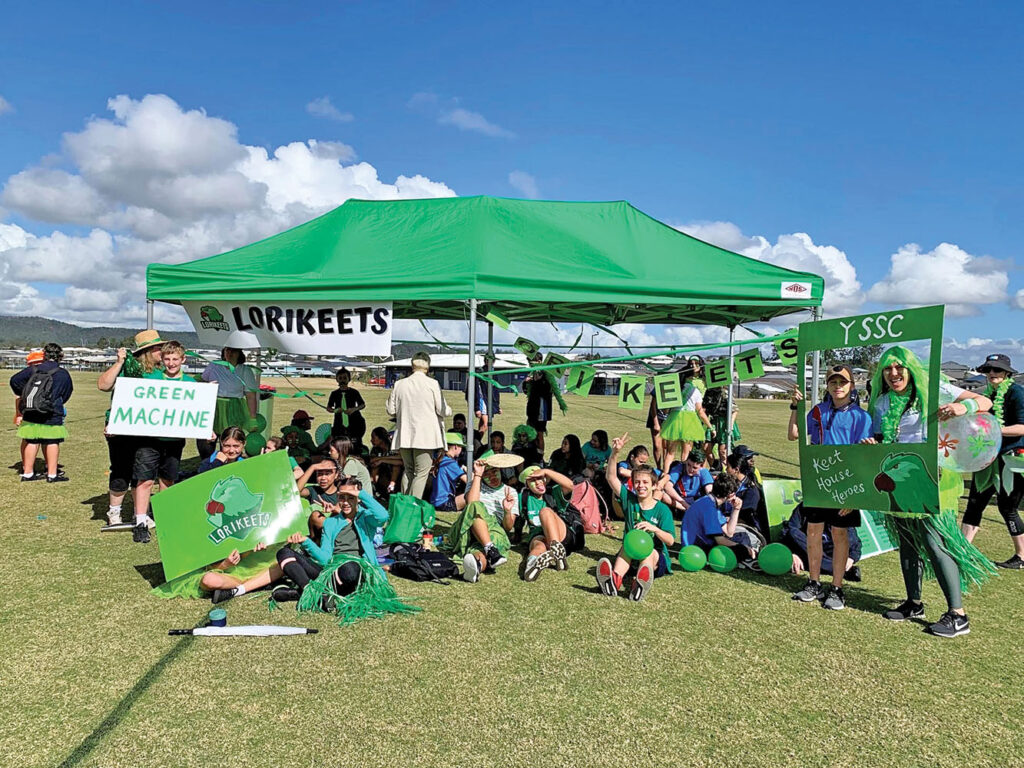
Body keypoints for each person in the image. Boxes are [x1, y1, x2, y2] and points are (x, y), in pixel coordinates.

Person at [864, 345, 994, 638]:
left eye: (899, 368)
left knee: (934, 542)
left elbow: (984, 401)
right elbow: (881, 435)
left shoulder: (934, 388)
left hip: (934, 478)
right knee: (907, 541)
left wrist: (964, 407)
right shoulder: (882, 402)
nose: (893, 373)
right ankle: (914, 602)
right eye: (887, 368)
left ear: (910, 369)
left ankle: (957, 615)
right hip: (900, 481)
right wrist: (873, 443)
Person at [785, 364, 873, 610]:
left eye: (842, 382)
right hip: (818, 480)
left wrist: (855, 493)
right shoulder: (818, 411)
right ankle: (813, 583)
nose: (838, 387)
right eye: (833, 382)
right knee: (813, 532)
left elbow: (865, 457)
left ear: (851, 386)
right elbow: (794, 434)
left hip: (845, 484)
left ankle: (837, 588)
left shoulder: (861, 417)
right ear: (828, 385)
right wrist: (794, 406)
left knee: (839, 534)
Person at [96, 330, 165, 530]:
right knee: (120, 470)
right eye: (157, 348)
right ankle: (114, 512)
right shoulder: (127, 366)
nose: (161, 351)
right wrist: (118, 363)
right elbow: (103, 385)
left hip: (150, 430)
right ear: (148, 351)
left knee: (143, 472)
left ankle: (139, 513)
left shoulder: (162, 372)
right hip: (121, 428)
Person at [960, 354, 1024, 568]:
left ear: (1007, 373)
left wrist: (993, 431)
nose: (992, 374)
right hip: (987, 459)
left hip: (1012, 458)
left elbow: (1022, 427)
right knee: (974, 504)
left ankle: (1022, 556)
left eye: (997, 370)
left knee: (1008, 508)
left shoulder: (1016, 393)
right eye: (988, 370)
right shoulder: (987, 395)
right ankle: (960, 550)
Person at [598, 433, 675, 601]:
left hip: (654, 560)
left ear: (654, 485)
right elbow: (611, 477)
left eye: (645, 483)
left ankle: (639, 584)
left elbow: (670, 541)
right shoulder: (629, 501)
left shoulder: (662, 510)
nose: (641, 486)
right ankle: (614, 581)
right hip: (631, 555)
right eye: (637, 482)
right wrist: (615, 453)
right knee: (627, 546)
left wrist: (654, 528)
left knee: (649, 551)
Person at [131, 341, 191, 543]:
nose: (171, 363)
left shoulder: (191, 383)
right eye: (167, 359)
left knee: (167, 480)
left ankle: (164, 517)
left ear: (183, 360)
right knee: (145, 479)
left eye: (175, 359)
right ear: (162, 360)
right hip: (149, 439)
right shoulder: (151, 378)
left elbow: (198, 410)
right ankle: (140, 521)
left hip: (174, 440)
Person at [385, 351, 452, 500]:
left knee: (408, 471)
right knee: (421, 473)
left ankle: (404, 503)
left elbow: (391, 410)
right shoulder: (432, 383)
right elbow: (442, 409)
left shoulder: (399, 384)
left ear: (412, 365)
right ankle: (411, 507)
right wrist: (449, 410)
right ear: (428, 367)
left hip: (404, 435)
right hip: (426, 436)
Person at [442, 455, 514, 583]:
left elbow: (508, 527)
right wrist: (478, 475)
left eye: (494, 471)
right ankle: (490, 549)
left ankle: (478, 566)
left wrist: (507, 511)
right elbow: (472, 504)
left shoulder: (510, 491)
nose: (492, 476)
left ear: (500, 471)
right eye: (487, 473)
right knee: (476, 507)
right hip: (468, 528)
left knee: (478, 550)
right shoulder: (475, 484)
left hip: (493, 531)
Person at [10, 342, 73, 484]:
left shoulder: (33, 369)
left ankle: (28, 473)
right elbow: (67, 392)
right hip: (52, 410)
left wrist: (25, 393)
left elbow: (14, 381)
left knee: (32, 440)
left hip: (31, 409)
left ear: (44, 355)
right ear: (60, 356)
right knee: (52, 441)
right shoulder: (63, 373)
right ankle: (52, 474)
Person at [511, 464, 581, 581]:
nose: (538, 482)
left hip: (561, 534)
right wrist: (517, 535)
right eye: (533, 480)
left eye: (540, 478)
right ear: (526, 485)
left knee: (545, 512)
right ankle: (531, 566)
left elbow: (570, 485)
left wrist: (547, 471)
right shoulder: (523, 497)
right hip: (538, 534)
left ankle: (557, 551)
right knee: (538, 546)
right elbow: (519, 520)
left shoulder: (553, 493)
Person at [679, 473, 759, 565]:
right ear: (730, 494)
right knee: (741, 549)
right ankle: (748, 557)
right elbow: (720, 540)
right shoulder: (710, 508)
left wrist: (736, 509)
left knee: (741, 536)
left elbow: (729, 532)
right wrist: (745, 548)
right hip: (697, 548)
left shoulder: (710, 501)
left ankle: (748, 554)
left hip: (701, 543)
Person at [198, 347, 258, 459]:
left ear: (239, 353)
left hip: (234, 409)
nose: (230, 353)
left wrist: (252, 418)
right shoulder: (214, 365)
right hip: (212, 407)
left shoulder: (245, 370)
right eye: (227, 350)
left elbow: (251, 396)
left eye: (233, 351)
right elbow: (202, 380)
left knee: (229, 442)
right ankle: (206, 468)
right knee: (205, 444)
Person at [658, 359, 714, 476]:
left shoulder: (675, 389)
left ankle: (665, 473)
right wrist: (710, 427)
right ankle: (683, 475)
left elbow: (666, 409)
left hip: (674, 419)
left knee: (670, 452)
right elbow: (700, 412)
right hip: (689, 420)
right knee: (686, 451)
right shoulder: (696, 392)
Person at [782, 504, 863, 582]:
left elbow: (854, 542)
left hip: (833, 553)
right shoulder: (804, 507)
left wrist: (851, 558)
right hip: (808, 550)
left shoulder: (841, 507)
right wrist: (792, 553)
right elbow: (790, 530)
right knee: (794, 533)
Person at [659, 448, 713, 513]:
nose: (690, 469)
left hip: (696, 500)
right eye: (688, 465)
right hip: (680, 501)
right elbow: (667, 487)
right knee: (663, 495)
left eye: (694, 468)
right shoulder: (679, 468)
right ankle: (690, 511)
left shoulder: (704, 472)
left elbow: (709, 491)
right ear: (686, 461)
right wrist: (685, 504)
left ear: (701, 467)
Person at [327, 368, 366, 446]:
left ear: (349, 379)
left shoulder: (354, 392)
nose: (342, 380)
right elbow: (328, 408)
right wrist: (336, 410)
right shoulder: (334, 394)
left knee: (355, 444)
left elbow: (362, 404)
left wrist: (354, 409)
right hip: (339, 424)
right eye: (340, 378)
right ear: (337, 379)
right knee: (339, 445)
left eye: (345, 378)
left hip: (354, 423)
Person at [431, 432, 467, 512]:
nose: (461, 450)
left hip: (435, 501)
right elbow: (469, 481)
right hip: (444, 503)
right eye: (461, 447)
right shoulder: (450, 463)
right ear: (456, 446)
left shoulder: (439, 458)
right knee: (473, 494)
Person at [368, 426, 403, 500]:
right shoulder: (375, 449)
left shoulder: (393, 446)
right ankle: (374, 488)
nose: (371, 440)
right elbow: (372, 460)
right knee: (375, 466)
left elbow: (400, 459)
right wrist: (381, 460)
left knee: (396, 465)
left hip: (397, 474)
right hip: (382, 473)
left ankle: (392, 485)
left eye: (373, 437)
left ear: (381, 438)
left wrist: (381, 459)